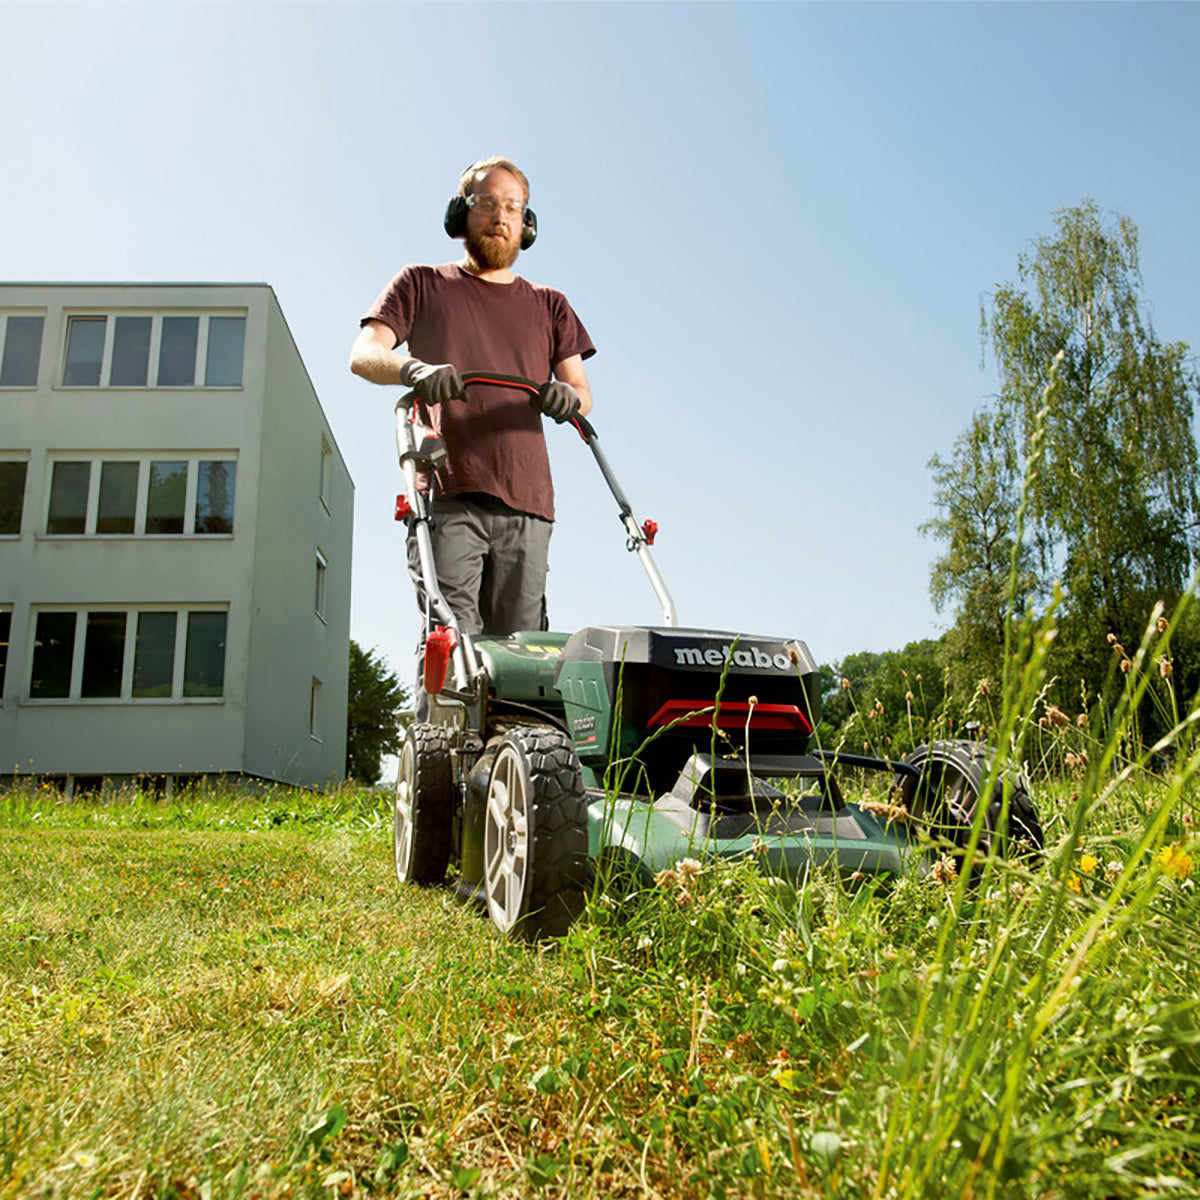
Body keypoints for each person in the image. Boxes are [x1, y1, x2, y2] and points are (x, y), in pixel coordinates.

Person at [350, 156, 595, 643]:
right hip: (447, 490)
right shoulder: (420, 283)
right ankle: (440, 723)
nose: (500, 217)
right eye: (487, 203)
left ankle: (517, 725)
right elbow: (364, 354)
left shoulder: (550, 305)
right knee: (451, 640)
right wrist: (412, 369)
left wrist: (568, 398)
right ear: (460, 213)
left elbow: (582, 394)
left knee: (524, 650)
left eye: (512, 207)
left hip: (527, 500)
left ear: (527, 224)